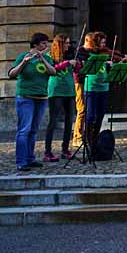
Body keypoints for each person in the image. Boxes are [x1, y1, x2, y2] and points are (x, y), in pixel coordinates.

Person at [9, 32, 57, 171]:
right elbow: (12, 74)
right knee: (24, 130)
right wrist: (24, 62)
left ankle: (30, 159)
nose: (45, 45)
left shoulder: (46, 58)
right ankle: (21, 161)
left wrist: (43, 59)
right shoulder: (23, 57)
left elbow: (53, 72)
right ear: (35, 45)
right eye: (43, 43)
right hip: (26, 97)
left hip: (41, 98)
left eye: (46, 43)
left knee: (34, 130)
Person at [43, 34, 79, 162]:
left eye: (69, 43)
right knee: (53, 121)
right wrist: (67, 62)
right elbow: (53, 69)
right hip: (56, 91)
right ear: (59, 44)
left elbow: (76, 71)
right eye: (66, 43)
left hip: (69, 91)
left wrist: (78, 65)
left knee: (69, 121)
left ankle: (65, 149)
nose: (68, 46)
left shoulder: (69, 55)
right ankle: (47, 151)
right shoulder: (49, 56)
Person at [78, 31, 111, 157]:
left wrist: (110, 66)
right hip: (91, 87)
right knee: (90, 116)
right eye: (101, 43)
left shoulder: (103, 54)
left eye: (104, 43)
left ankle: (95, 141)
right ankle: (89, 144)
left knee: (100, 115)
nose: (104, 45)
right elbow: (81, 68)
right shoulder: (85, 53)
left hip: (104, 87)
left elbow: (105, 69)